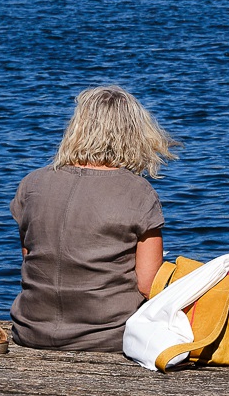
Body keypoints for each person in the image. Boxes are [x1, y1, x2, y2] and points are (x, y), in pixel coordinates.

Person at [10, 85, 177, 352]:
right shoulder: (138, 192)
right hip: (109, 337)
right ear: (133, 133)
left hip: (31, 330)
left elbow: (32, 258)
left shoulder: (32, 184)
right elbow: (149, 285)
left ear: (77, 128)